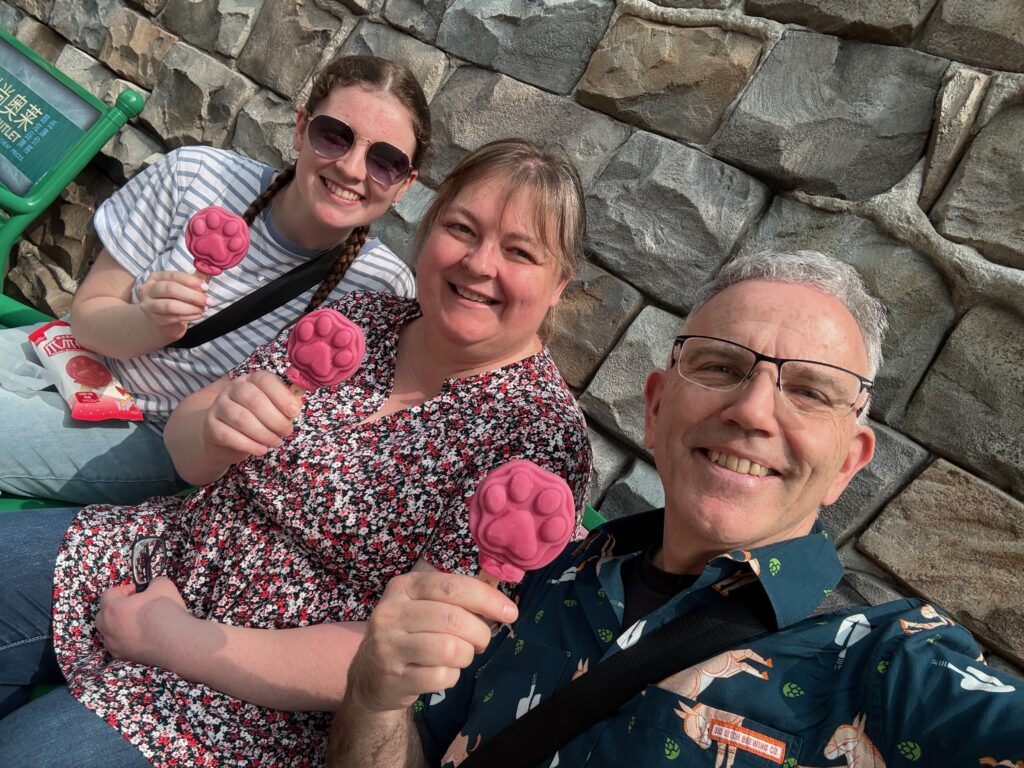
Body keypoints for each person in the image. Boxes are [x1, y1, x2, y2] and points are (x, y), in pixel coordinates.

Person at [0, 138, 593, 768]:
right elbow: (186, 452)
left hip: (251, 701)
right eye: (461, 229)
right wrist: (216, 426)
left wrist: (171, 639)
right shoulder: (359, 319)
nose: (478, 263)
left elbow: (403, 655)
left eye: (519, 252)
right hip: (155, 553)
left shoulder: (536, 440)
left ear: (558, 284)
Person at [328, 250, 1024, 768]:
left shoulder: (889, 667)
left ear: (848, 462)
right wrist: (372, 701)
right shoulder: (540, 580)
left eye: (811, 391)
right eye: (721, 366)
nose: (753, 411)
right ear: (657, 407)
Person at [0, 54, 428, 506]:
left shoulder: (382, 291)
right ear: (302, 128)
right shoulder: (196, 176)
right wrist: (148, 322)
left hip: (142, 433)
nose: (352, 168)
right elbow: (87, 318)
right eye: (335, 136)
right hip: (61, 353)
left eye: (386, 162)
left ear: (405, 184)